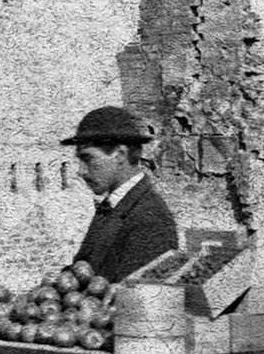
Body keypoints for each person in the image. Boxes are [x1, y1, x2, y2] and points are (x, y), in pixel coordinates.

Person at [60, 106, 179, 283]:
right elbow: (83, 270)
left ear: (120, 155)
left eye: (88, 159)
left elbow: (137, 299)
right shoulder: (112, 206)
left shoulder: (151, 218)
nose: (81, 171)